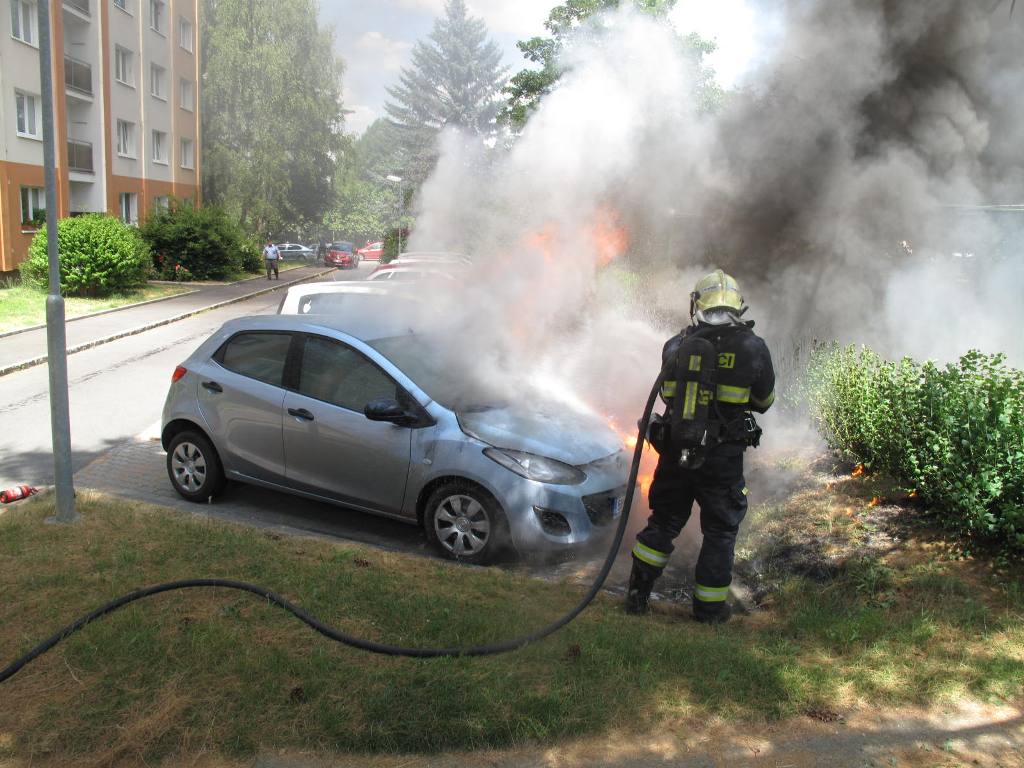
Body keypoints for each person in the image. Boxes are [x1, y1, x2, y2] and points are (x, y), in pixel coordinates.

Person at [626, 269, 775, 624]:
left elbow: (665, 395)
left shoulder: (676, 346)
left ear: (697, 304)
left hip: (676, 454)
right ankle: (709, 611)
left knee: (662, 522)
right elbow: (764, 400)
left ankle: (637, 596)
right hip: (722, 460)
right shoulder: (752, 347)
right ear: (737, 306)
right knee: (720, 532)